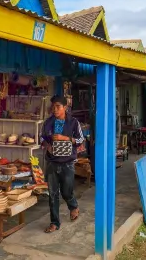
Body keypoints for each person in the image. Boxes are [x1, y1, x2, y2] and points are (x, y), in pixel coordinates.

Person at [40, 95, 84, 233]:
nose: (55, 109)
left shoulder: (73, 122)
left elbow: (81, 139)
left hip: (68, 162)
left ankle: (73, 206)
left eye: (58, 106)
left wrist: (65, 138)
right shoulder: (48, 123)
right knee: (52, 194)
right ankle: (54, 223)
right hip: (52, 162)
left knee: (66, 191)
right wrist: (48, 146)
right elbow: (42, 139)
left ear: (65, 107)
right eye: (53, 106)